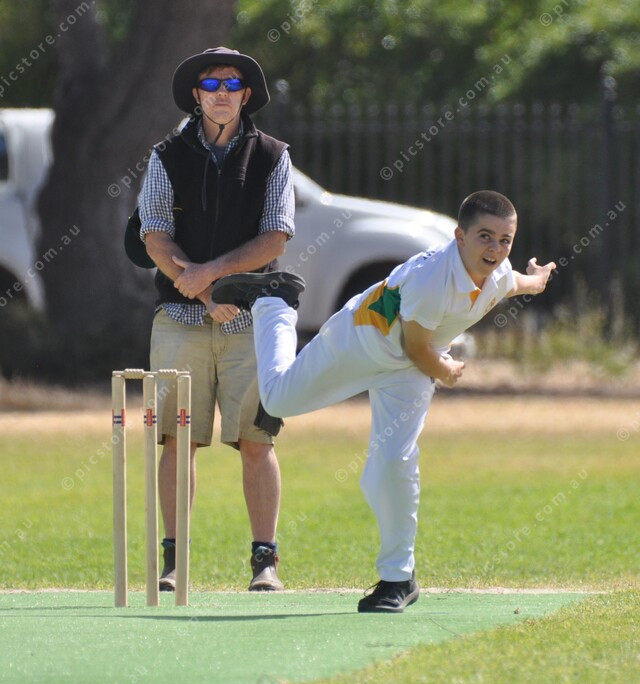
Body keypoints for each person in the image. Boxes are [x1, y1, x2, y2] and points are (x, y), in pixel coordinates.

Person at [211, 190, 556, 612]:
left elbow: (515, 283)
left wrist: (538, 279)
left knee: (392, 464)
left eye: (505, 240)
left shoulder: (497, 272)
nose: (496, 249)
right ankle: (274, 302)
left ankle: (398, 579)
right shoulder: (432, 280)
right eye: (485, 236)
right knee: (278, 399)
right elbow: (417, 349)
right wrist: (447, 371)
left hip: (407, 371)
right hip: (359, 343)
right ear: (459, 236)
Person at [136, 47, 295, 592]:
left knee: (257, 440)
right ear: (196, 95)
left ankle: (265, 562)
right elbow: (154, 236)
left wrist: (215, 277)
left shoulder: (274, 155)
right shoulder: (165, 154)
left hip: (251, 317)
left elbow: (275, 237)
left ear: (246, 95)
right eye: (211, 84)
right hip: (180, 315)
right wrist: (206, 293)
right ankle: (174, 563)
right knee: (178, 441)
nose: (221, 93)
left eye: (232, 84)